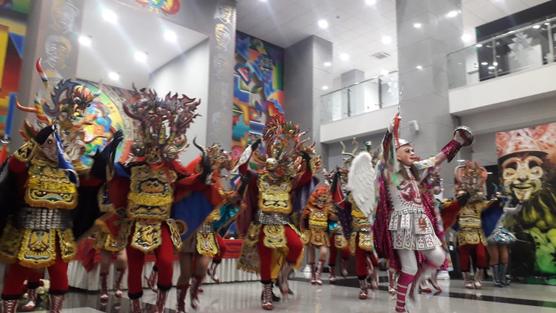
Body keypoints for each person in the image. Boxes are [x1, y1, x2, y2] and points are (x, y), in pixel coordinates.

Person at [0, 77, 120, 313]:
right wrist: (36, 143)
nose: (62, 144)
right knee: (17, 274)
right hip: (27, 229)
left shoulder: (71, 169)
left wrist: (104, 158)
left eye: (68, 139)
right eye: (58, 139)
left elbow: (90, 185)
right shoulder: (31, 161)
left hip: (59, 233)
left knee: (59, 275)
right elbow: (14, 168)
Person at [101, 88, 213, 313]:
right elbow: (113, 174)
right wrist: (109, 153)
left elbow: (189, 183)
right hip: (136, 223)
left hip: (162, 224)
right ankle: (134, 305)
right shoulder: (133, 168)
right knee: (134, 267)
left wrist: (203, 174)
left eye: (159, 148)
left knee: (164, 263)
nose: (155, 152)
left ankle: (160, 305)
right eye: (151, 147)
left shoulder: (173, 171)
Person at [372, 113, 473, 313]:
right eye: (406, 150)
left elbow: (436, 159)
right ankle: (400, 307)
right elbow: (387, 149)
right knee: (408, 267)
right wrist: (392, 131)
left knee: (438, 257)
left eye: (412, 149)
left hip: (420, 220)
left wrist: (456, 142)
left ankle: (416, 283)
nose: (412, 152)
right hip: (402, 221)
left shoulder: (415, 169)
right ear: (396, 154)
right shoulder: (390, 170)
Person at [236, 116, 317, 310]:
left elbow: (306, 178)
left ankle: (283, 276)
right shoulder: (258, 179)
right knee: (266, 257)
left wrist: (306, 159)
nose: (275, 168)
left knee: (297, 245)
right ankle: (266, 293)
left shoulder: (288, 182)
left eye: (279, 165)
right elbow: (242, 169)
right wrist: (251, 149)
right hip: (263, 223)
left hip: (282, 223)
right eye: (272, 165)